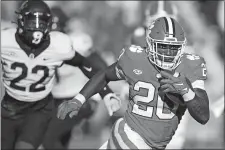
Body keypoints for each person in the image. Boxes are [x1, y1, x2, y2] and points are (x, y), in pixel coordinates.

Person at [57, 16, 210, 149]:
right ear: (150, 44)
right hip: (128, 134)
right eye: (163, 47)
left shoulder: (191, 66)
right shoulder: (135, 58)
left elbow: (203, 117)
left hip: (154, 144)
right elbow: (104, 74)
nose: (168, 54)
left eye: (173, 48)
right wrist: (78, 100)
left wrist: (187, 91)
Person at [1, 1, 120, 149]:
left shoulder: (68, 42)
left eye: (43, 24)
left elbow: (96, 66)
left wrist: (105, 92)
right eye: (33, 23)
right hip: (48, 102)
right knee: (58, 140)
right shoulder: (11, 41)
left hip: (77, 98)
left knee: (49, 137)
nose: (37, 30)